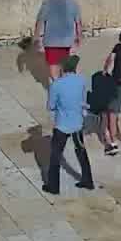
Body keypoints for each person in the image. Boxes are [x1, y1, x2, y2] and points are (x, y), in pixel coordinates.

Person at [42, 55, 93, 193]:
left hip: (62, 125)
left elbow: (51, 106)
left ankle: (53, 186)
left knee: (56, 156)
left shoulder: (56, 85)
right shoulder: (81, 81)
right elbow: (83, 100)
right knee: (81, 151)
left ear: (62, 68)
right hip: (77, 123)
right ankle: (88, 180)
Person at [33, 0, 82, 82]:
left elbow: (40, 22)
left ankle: (58, 89)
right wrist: (79, 38)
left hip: (51, 41)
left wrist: (36, 39)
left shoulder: (47, 3)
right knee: (70, 68)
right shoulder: (72, 2)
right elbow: (78, 22)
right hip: (68, 41)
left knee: (54, 72)